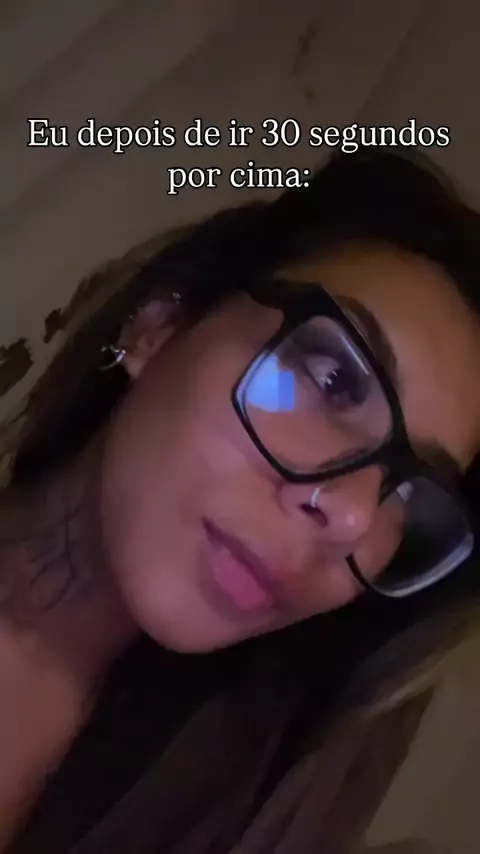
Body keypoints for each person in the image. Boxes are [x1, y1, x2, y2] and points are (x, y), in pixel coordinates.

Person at [0, 149, 478, 854]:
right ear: (158, 329)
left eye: (409, 496)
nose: (352, 517)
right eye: (332, 379)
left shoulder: (230, 811)